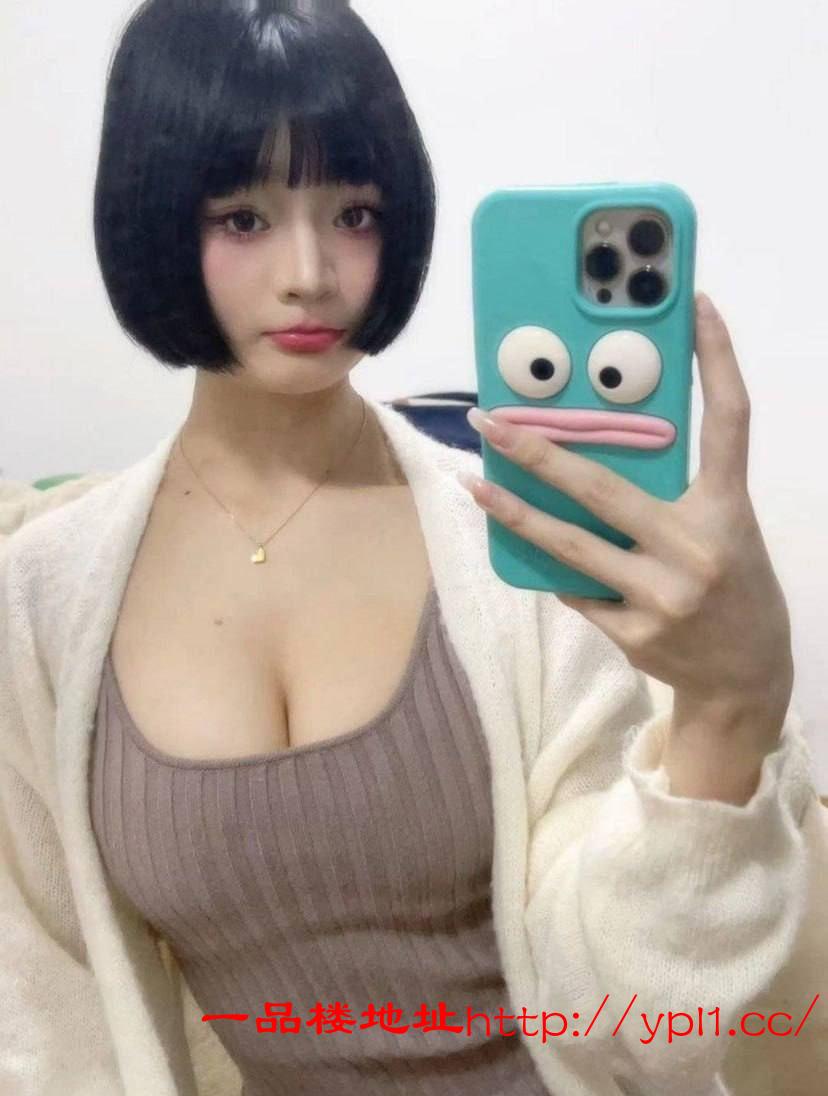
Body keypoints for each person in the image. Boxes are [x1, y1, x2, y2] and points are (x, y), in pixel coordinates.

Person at [0, 2, 821, 1094]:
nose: (310, 273)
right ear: (148, 217)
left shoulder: (516, 551)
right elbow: (49, 1017)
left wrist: (729, 707)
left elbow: (634, 1025)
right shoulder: (38, 604)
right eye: (243, 218)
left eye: (354, 213)